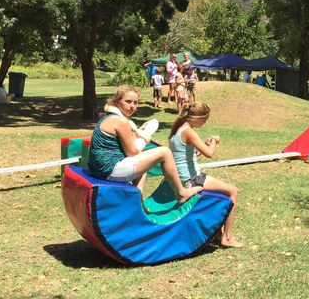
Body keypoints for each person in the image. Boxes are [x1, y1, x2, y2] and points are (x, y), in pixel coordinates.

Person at [86, 85, 202, 203]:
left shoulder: (109, 117)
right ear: (117, 102)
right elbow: (132, 152)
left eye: (135, 103)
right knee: (165, 152)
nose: (132, 106)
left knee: (143, 164)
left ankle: (138, 201)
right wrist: (145, 138)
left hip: (99, 170)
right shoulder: (121, 121)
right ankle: (181, 193)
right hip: (109, 171)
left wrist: (138, 132)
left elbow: (122, 143)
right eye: (128, 102)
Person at [168, 102, 243, 248]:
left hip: (183, 178)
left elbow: (190, 155)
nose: (205, 122)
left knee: (224, 190)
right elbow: (210, 154)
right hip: (192, 180)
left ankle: (218, 234)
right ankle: (227, 238)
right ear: (197, 117)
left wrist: (204, 145)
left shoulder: (178, 129)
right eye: (205, 119)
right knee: (233, 191)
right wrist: (214, 141)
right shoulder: (188, 131)